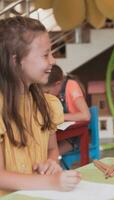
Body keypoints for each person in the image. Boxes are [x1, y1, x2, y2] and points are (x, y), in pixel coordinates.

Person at [0, 16, 81, 196]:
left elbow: (52, 149)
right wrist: (50, 181)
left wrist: (52, 163)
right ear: (15, 61)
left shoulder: (46, 104)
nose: (52, 61)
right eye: (45, 54)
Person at [43, 64, 90, 154]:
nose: (47, 95)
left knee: (48, 155)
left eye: (48, 92)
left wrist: (60, 117)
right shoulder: (55, 93)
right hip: (59, 134)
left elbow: (86, 116)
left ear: (57, 84)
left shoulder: (72, 86)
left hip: (76, 136)